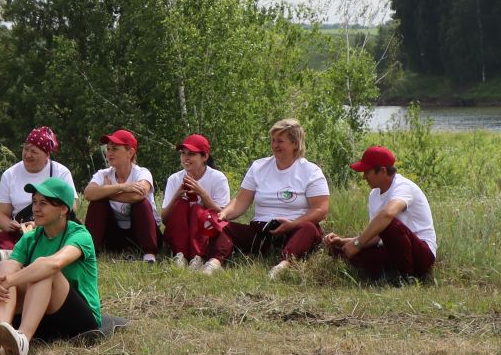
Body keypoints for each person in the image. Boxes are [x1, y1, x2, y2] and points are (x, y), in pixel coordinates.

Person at [0, 176, 100, 355]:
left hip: (79, 322)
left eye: (43, 203)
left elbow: (54, 264)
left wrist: (8, 281)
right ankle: (0, 338)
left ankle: (23, 341)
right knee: (6, 265)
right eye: (34, 202)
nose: (35, 208)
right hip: (41, 317)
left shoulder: (80, 235)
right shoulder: (31, 238)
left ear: (63, 209)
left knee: (44, 270)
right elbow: (6, 272)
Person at [210, 119, 330, 279]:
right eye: (273, 140)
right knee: (223, 227)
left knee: (309, 229)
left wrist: (292, 224)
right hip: (262, 230)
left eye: (280, 141)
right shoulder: (259, 167)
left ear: (295, 144)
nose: (274, 145)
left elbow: (321, 210)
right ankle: (215, 262)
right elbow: (241, 200)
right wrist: (223, 215)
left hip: (295, 229)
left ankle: (283, 265)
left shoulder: (311, 171)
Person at [324, 145, 437, 283]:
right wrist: (344, 241)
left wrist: (357, 244)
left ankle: (406, 279)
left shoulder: (403, 186)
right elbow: (376, 236)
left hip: (421, 254)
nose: (364, 176)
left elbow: (388, 215)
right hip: (393, 251)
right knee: (340, 251)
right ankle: (389, 275)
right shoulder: (374, 195)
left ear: (382, 170)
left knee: (389, 224)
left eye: (367, 171)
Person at [0, 126, 75, 258]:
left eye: (34, 152)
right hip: (22, 231)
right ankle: (22, 254)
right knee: (1, 237)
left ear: (47, 155)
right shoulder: (10, 174)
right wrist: (9, 225)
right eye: (25, 149)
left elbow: (71, 208)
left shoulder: (61, 173)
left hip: (50, 229)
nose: (27, 155)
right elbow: (1, 213)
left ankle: (19, 256)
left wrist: (38, 225)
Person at [83, 128, 159, 262]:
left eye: (115, 149)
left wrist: (105, 192)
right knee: (97, 203)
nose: (109, 153)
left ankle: (149, 254)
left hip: (141, 233)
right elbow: (88, 194)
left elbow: (138, 195)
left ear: (130, 152)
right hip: (115, 234)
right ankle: (90, 253)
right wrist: (121, 187)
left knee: (141, 204)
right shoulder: (103, 174)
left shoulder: (142, 173)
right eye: (108, 149)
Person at [161, 134, 231, 268]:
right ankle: (179, 254)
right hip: (180, 233)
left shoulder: (217, 178)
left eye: (191, 154)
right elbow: (164, 219)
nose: (185, 158)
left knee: (198, 209)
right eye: (183, 153)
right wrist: (176, 196)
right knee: (181, 204)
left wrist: (203, 194)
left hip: (204, 234)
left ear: (204, 157)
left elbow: (223, 216)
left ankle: (197, 256)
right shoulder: (174, 179)